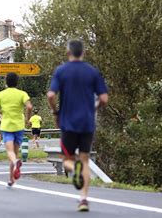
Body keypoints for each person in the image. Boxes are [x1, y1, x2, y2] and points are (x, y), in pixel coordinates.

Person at [47, 40, 108, 212]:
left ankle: (76, 171)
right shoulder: (92, 72)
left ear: (68, 53)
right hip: (87, 123)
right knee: (85, 159)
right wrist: (93, 108)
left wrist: (55, 112)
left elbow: (51, 95)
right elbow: (104, 99)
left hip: (68, 122)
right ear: (83, 53)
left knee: (67, 160)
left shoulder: (61, 71)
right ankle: (83, 199)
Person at [0, 72, 33, 187]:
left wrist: (2, 111)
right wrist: (28, 119)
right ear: (17, 82)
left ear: (6, 82)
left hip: (6, 126)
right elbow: (29, 106)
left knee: (10, 153)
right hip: (19, 125)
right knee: (14, 153)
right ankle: (11, 179)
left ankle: (15, 165)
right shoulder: (22, 94)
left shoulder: (1, 94)